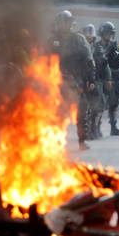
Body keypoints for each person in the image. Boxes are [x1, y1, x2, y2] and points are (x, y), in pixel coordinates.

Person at [47, 10, 95, 150]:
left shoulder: (79, 39)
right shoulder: (52, 41)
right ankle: (56, 141)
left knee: (81, 112)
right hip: (58, 82)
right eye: (62, 22)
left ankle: (82, 141)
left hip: (77, 81)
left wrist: (90, 79)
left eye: (66, 22)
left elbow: (88, 60)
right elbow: (44, 61)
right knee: (58, 113)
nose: (64, 25)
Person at [97, 21, 119, 136]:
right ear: (102, 33)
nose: (109, 35)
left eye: (111, 33)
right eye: (107, 33)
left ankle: (113, 128)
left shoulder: (114, 46)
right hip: (101, 78)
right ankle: (96, 128)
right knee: (99, 104)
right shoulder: (97, 46)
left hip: (113, 78)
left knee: (113, 104)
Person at [84, 24, 111, 140]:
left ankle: (96, 128)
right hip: (85, 80)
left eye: (91, 34)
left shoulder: (97, 48)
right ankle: (88, 130)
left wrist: (108, 78)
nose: (89, 36)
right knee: (87, 108)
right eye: (87, 34)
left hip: (97, 80)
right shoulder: (82, 47)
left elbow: (105, 65)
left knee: (99, 106)